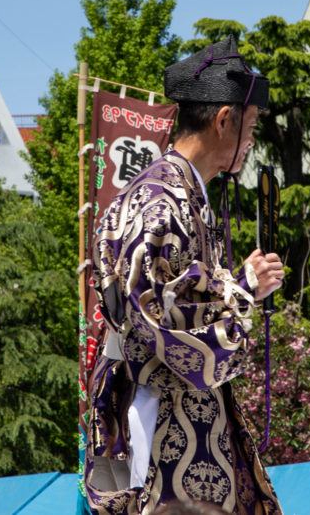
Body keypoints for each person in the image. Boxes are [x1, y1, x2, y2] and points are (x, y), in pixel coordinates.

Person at [85, 37, 285, 514]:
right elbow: (159, 313)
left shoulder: (178, 194)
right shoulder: (161, 200)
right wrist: (243, 289)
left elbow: (177, 290)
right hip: (164, 417)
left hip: (180, 409)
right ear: (223, 121)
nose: (252, 141)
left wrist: (235, 284)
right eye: (250, 127)